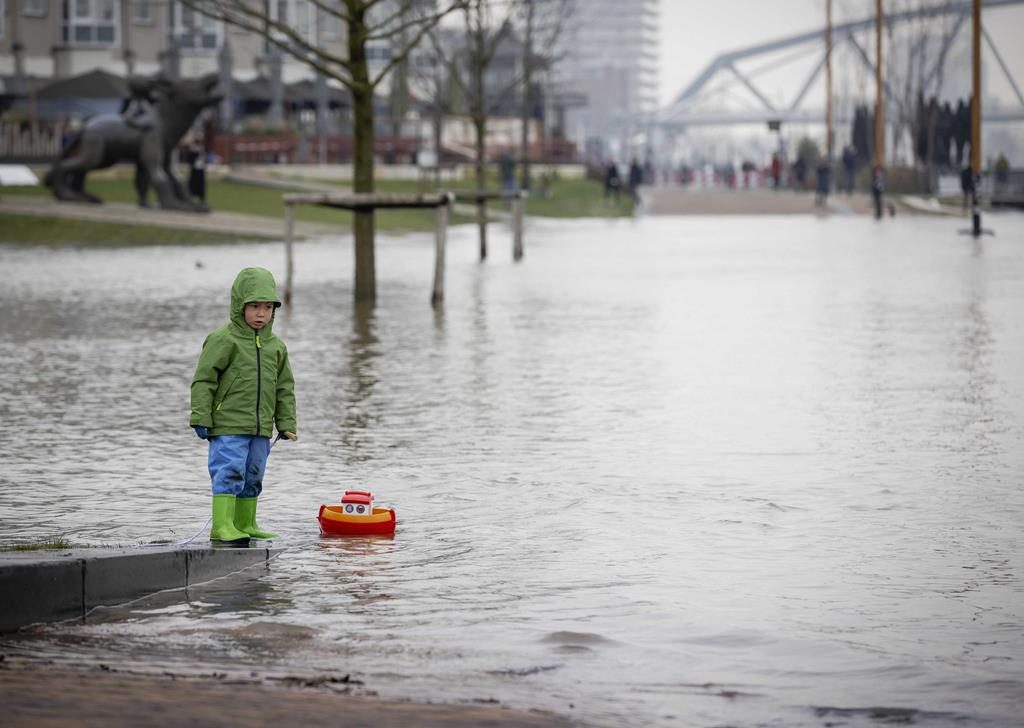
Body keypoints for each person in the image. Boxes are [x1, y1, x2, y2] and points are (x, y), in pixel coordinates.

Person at [190, 267, 297, 544]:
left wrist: (286, 423)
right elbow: (204, 380)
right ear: (240, 306)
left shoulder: (277, 347)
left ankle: (246, 523)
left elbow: (284, 387)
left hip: (260, 427)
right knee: (229, 469)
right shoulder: (223, 339)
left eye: (267, 307)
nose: (261, 314)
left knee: (253, 473)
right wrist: (201, 416)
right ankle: (222, 526)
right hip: (228, 424)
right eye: (254, 307)